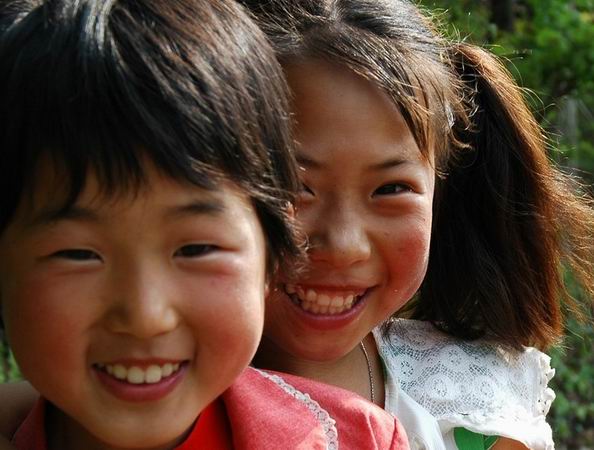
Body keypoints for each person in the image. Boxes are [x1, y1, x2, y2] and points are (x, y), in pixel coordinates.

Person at [0, 0, 410, 449]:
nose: (145, 316)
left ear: (274, 254)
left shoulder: (360, 439)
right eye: (78, 254)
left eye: (196, 249)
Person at [238, 0, 594, 449]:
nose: (345, 244)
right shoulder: (164, 400)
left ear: (440, 192)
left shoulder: (475, 410)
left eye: (391, 189)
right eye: (292, 187)